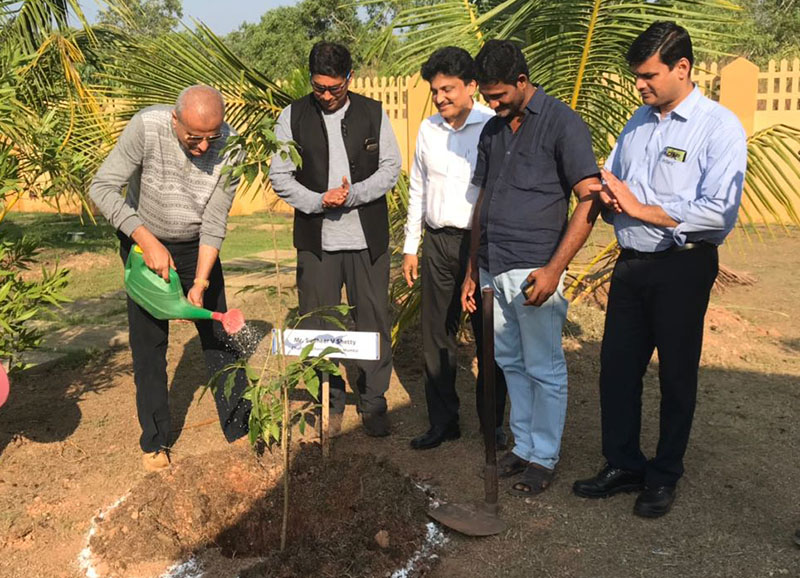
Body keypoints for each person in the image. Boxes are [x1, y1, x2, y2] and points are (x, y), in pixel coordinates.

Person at [572, 22, 747, 518]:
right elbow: (617, 179)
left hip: (683, 267)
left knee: (676, 375)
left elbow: (718, 212)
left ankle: (664, 473)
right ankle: (624, 463)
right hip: (631, 266)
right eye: (636, 77)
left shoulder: (719, 126)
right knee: (617, 371)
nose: (640, 86)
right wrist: (608, 195)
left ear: (682, 68)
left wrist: (638, 206)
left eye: (648, 76)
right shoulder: (638, 121)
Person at [461, 40, 602, 496]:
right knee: (509, 362)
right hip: (491, 267)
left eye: (500, 95)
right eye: (487, 96)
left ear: (523, 81)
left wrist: (555, 270)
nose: (493, 104)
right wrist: (471, 271)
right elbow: (482, 202)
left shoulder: (563, 124)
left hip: (536, 270)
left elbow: (589, 198)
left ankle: (544, 456)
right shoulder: (492, 131)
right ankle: (522, 446)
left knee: (543, 366)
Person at [89, 84, 251, 472]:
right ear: (175, 120)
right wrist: (144, 238)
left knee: (221, 339)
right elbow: (101, 187)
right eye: (193, 137)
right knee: (149, 348)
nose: (202, 148)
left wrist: (201, 281)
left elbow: (215, 218)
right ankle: (155, 442)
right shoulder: (147, 127)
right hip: (144, 244)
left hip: (197, 247)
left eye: (211, 137)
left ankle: (241, 428)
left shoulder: (232, 147)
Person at [269, 42, 402, 437]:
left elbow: (391, 167)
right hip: (317, 241)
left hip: (367, 239)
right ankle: (328, 396)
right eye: (319, 87)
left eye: (335, 88)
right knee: (319, 322)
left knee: (372, 319)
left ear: (349, 79)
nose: (326, 96)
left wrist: (354, 194)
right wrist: (318, 201)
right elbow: (280, 176)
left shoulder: (373, 113)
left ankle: (374, 400)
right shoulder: (291, 116)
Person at [402, 47, 509, 451]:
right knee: (436, 334)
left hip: (479, 244)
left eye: (448, 89)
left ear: (471, 87)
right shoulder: (428, 129)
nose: (441, 97)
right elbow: (417, 187)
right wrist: (411, 247)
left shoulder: (491, 127)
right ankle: (443, 421)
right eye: (435, 91)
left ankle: (492, 423)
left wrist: (480, 255)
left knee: (488, 335)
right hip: (437, 242)